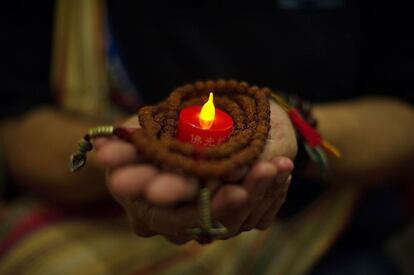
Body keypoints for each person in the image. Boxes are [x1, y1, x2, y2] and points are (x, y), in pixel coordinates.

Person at [0, 0, 413, 274]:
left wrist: (295, 132)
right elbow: (20, 124)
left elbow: (403, 118)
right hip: (93, 221)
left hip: (322, 234)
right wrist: (131, 152)